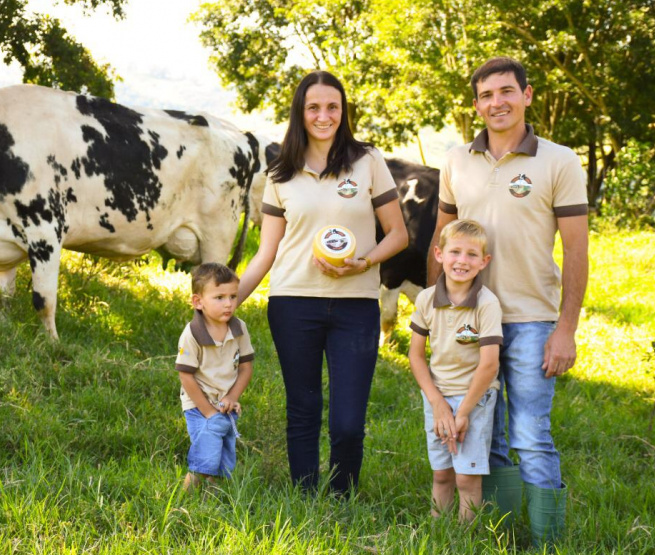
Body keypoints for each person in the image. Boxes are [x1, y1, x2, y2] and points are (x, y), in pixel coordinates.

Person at [427, 57, 588, 545]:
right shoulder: (456, 160)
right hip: (470, 321)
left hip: (532, 320)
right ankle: (495, 532)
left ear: (527, 95)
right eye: (486, 95)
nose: (496, 102)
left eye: (506, 92)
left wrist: (566, 328)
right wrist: (434, 308)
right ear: (476, 105)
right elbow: (442, 236)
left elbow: (577, 250)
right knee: (483, 434)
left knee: (531, 436)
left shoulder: (559, 160)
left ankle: (546, 540)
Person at [238, 70, 408, 496]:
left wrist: (363, 262)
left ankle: (342, 496)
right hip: (293, 303)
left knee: (349, 420)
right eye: (314, 106)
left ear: (343, 111)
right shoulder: (280, 174)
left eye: (333, 106)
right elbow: (266, 252)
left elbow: (399, 234)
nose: (324, 115)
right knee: (304, 408)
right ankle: (304, 495)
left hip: (356, 305)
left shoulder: (367, 161)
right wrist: (225, 303)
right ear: (300, 112)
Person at [409, 219, 502, 522]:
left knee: (466, 478)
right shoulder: (425, 299)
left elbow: (489, 364)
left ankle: (467, 540)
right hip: (436, 396)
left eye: (472, 255)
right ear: (439, 254)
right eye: (455, 252)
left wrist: (462, 412)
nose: (462, 261)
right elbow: (416, 356)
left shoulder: (487, 304)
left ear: (484, 261)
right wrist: (437, 403)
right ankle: (439, 536)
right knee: (441, 475)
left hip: (474, 399)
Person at [175, 262, 254, 491]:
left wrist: (232, 397)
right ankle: (186, 494)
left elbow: (246, 367)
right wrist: (208, 411)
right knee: (207, 452)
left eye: (233, 296)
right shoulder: (193, 333)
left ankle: (211, 497)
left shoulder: (239, 328)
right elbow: (186, 376)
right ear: (198, 302)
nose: (228, 304)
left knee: (223, 451)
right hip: (199, 404)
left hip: (226, 405)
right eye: (219, 297)